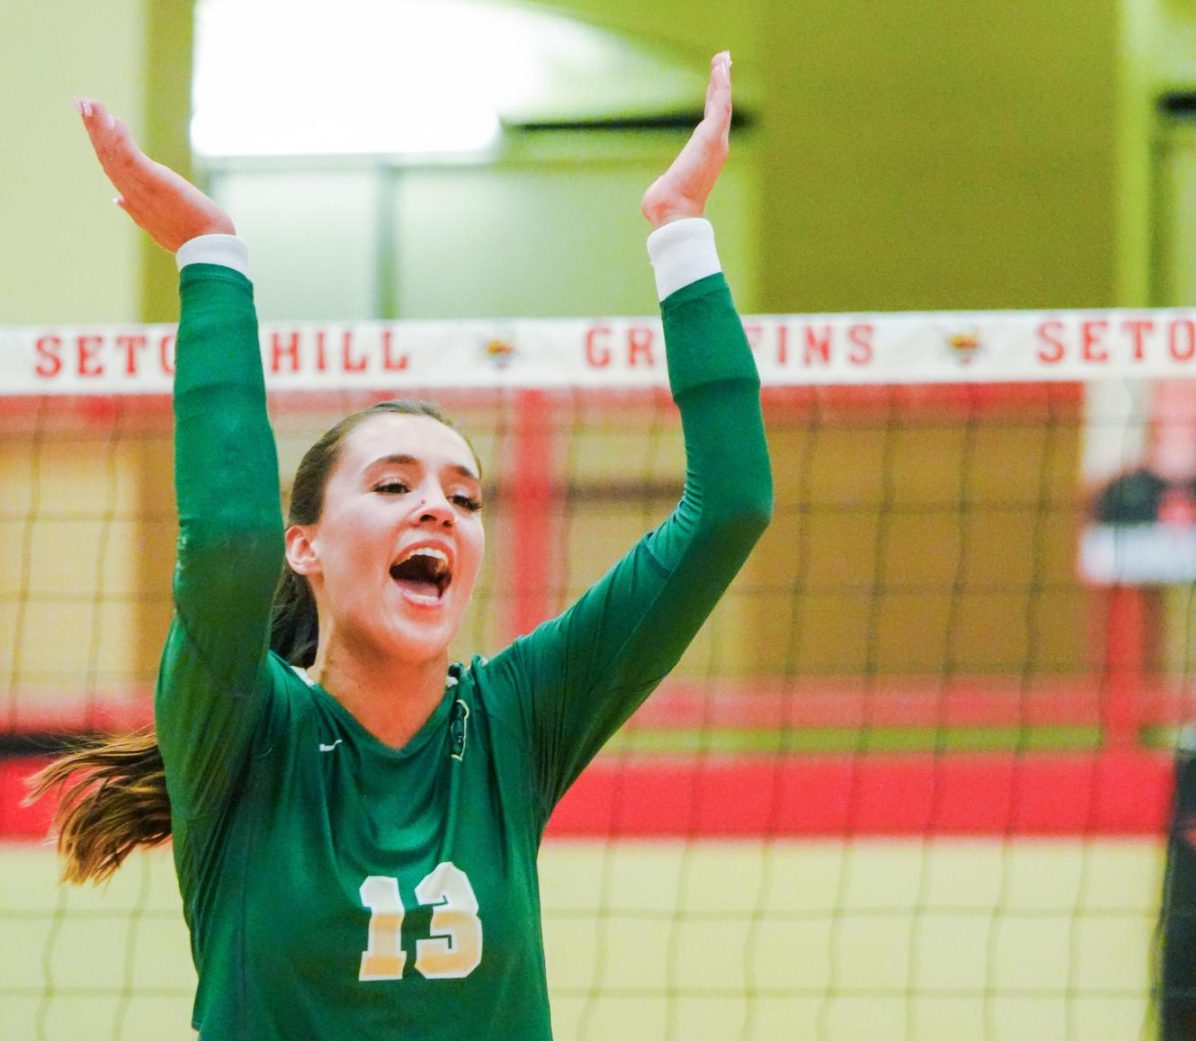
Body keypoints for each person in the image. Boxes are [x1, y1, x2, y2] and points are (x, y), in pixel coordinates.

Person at [32, 52, 772, 1039]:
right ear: (304, 548)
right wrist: (212, 255)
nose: (437, 509)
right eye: (393, 486)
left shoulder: (514, 725)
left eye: (463, 497)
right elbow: (225, 543)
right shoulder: (244, 730)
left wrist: (681, 230)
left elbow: (730, 506)